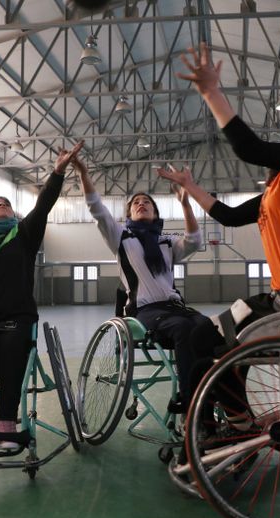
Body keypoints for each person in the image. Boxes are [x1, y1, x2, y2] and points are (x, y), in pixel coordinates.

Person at [158, 42, 280, 355]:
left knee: (208, 340)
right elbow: (229, 215)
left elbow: (250, 148)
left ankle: (212, 399)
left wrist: (212, 92)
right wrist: (190, 186)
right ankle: (232, 405)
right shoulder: (276, 194)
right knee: (205, 335)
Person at [0, 143, 83, 451]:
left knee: (14, 351)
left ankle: (8, 421)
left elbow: (43, 206)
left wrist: (58, 172)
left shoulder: (23, 236)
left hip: (17, 317)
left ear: (13, 213)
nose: (0, 205)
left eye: (6, 204)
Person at [70, 150, 217, 413]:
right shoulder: (120, 238)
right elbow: (97, 209)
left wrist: (185, 204)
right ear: (128, 213)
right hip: (145, 312)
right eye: (136, 202)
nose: (141, 204)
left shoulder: (167, 242)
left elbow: (195, 241)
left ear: (154, 211)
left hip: (175, 307)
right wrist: (83, 173)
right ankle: (192, 401)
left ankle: (213, 393)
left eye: (146, 202)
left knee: (207, 327)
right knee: (184, 329)